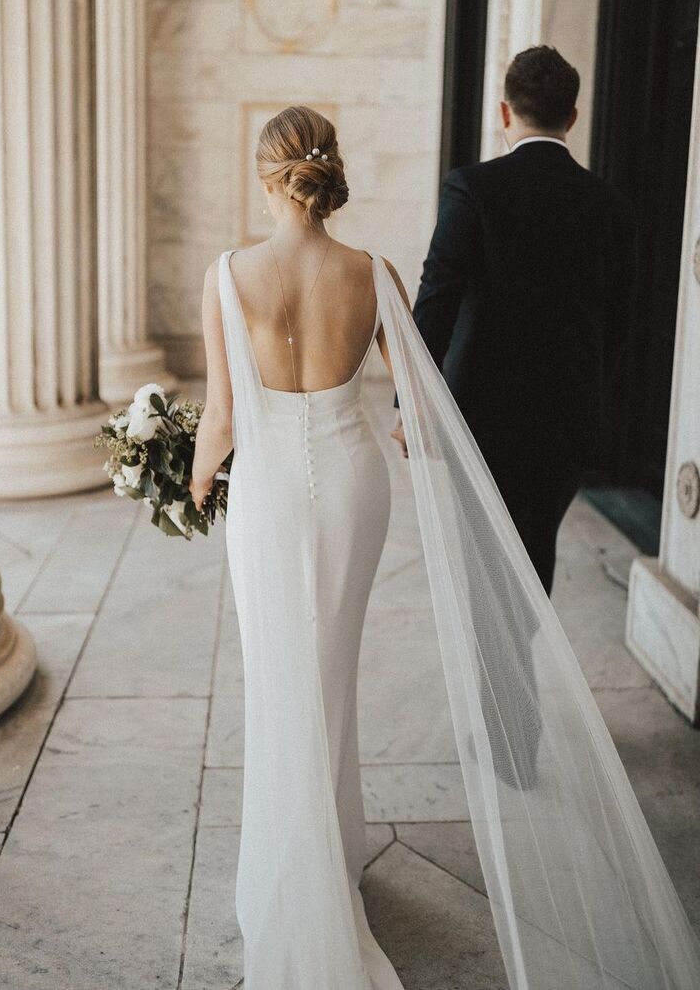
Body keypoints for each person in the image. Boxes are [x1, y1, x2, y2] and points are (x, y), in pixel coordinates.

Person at [188, 105, 700, 990]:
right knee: (331, 668)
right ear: (328, 172)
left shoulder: (227, 275)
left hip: (270, 497)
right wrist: (388, 431)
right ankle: (335, 845)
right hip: (352, 487)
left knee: (279, 678)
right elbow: (420, 399)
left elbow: (224, 421)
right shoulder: (372, 272)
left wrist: (191, 483)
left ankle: (296, 871)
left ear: (265, 175)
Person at [392, 45, 637, 595]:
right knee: (531, 565)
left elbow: (437, 299)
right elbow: (619, 326)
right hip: (568, 422)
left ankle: (498, 682)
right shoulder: (612, 207)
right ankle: (514, 677)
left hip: (481, 418)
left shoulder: (473, 189)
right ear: (572, 117)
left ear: (504, 112)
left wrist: (411, 401)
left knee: (478, 575)